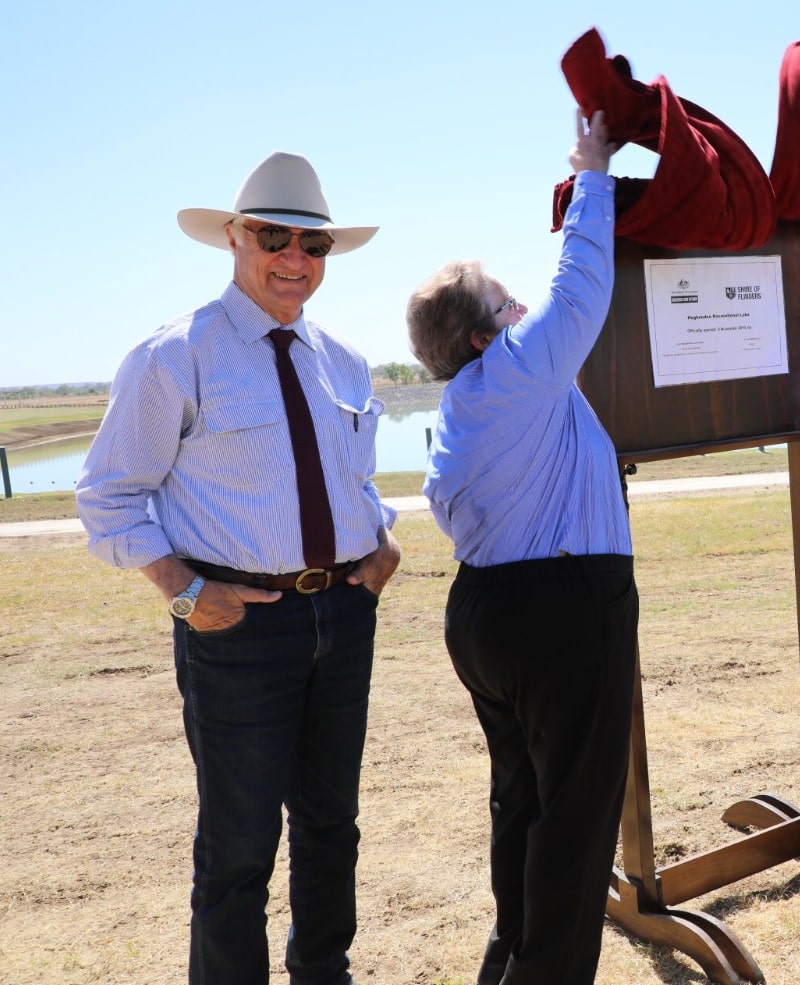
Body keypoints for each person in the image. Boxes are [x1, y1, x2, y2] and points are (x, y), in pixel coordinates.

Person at [75, 151, 402, 984]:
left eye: (313, 244)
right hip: (240, 626)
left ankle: (322, 972)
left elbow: (352, 477)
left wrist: (382, 539)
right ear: (232, 237)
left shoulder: (345, 359)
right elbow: (109, 497)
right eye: (272, 236)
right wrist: (183, 591)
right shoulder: (174, 355)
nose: (294, 258)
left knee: (332, 825)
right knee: (239, 845)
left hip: (343, 615)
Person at [407, 111, 632, 985]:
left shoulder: (463, 407)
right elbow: (580, 287)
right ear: (481, 335)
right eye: (508, 305)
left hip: (486, 616)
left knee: (525, 800)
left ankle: (510, 956)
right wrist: (591, 173)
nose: (525, 310)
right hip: (565, 612)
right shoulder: (515, 372)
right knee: (577, 815)